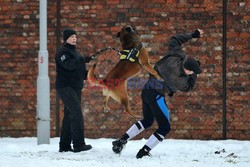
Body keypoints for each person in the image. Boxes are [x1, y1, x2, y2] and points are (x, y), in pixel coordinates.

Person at [112, 29, 204, 158]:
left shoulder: (177, 55)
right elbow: (188, 87)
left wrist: (193, 35)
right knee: (164, 127)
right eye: (192, 71)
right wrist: (194, 75)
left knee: (148, 121)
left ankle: (121, 141)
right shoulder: (178, 79)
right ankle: (143, 152)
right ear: (188, 70)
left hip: (147, 89)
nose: (192, 73)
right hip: (156, 95)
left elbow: (174, 40)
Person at [55, 28, 93, 153]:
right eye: (71, 37)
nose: (74, 39)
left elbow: (79, 70)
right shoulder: (62, 52)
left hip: (76, 88)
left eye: (75, 37)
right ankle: (79, 144)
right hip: (65, 87)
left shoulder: (76, 53)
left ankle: (64, 146)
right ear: (66, 38)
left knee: (68, 116)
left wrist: (89, 74)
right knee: (76, 113)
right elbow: (69, 65)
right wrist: (82, 60)